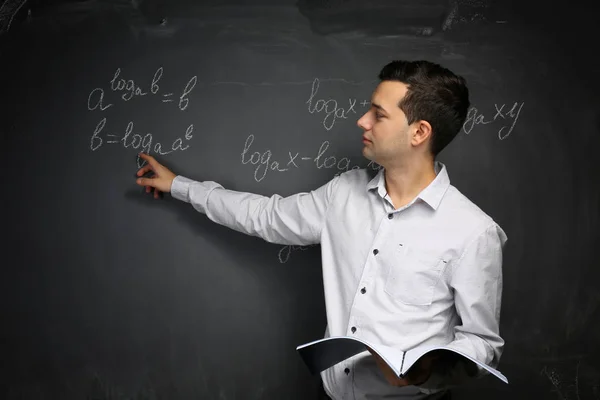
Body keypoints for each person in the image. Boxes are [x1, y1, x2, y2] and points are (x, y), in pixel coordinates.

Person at [134, 60, 507, 400]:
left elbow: (482, 340)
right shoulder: (343, 193)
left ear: (419, 132)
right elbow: (266, 216)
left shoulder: (473, 232)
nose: (362, 121)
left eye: (378, 114)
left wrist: (430, 369)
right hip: (329, 394)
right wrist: (180, 186)